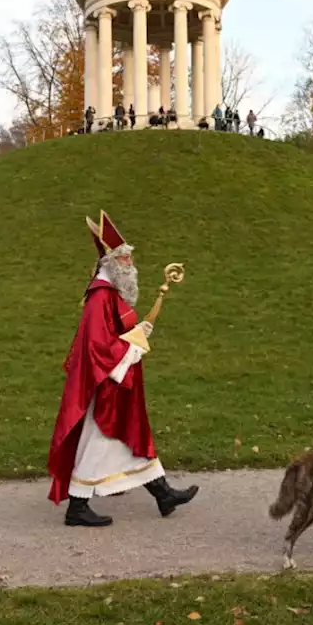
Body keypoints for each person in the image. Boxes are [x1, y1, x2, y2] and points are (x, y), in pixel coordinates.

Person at [46, 211, 199, 527]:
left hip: (119, 379)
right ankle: (77, 506)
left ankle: (163, 493)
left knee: (128, 437)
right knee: (103, 440)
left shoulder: (111, 294)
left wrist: (138, 330)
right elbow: (96, 346)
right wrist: (134, 345)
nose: (131, 265)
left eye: (130, 258)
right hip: (107, 383)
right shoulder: (100, 296)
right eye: (126, 259)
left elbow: (114, 331)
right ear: (112, 263)